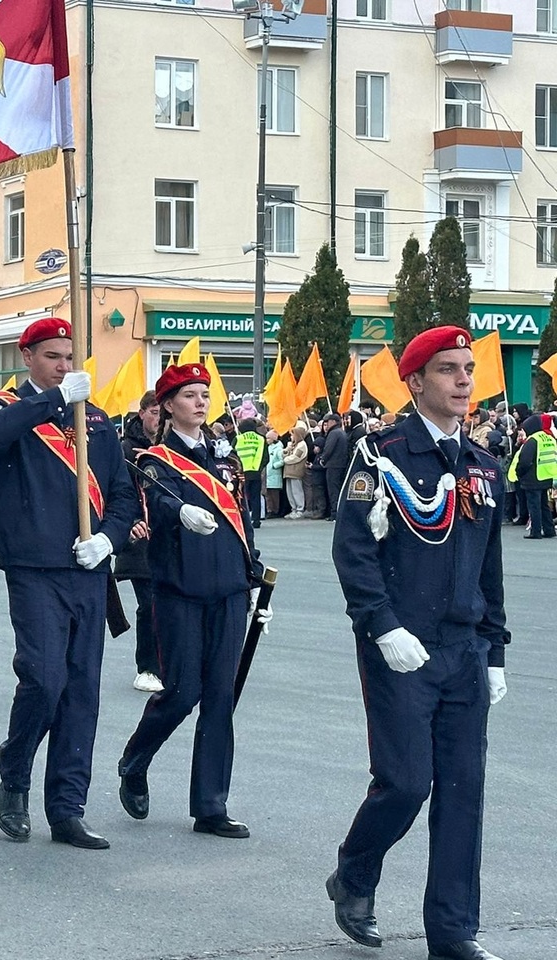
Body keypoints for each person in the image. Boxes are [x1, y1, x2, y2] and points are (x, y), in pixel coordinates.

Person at [327, 326, 509, 960]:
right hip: (403, 646)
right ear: (414, 382)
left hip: (465, 650)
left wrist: (496, 649)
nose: (465, 380)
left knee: (463, 793)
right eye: (449, 370)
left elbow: (490, 565)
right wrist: (381, 624)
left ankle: (453, 932)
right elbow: (352, 549)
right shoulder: (382, 454)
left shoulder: (484, 465)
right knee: (405, 783)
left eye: (468, 369)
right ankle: (354, 870)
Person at [0, 317, 137, 850]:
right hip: (33, 566)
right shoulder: (7, 407)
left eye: (70, 357)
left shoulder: (95, 420)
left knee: (79, 692)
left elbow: (123, 495)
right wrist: (53, 401)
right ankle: (16, 769)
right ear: (28, 358)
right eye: (53, 356)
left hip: (87, 567)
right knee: (43, 679)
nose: (64, 366)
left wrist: (108, 540)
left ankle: (67, 806)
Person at [116, 363, 268, 840]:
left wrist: (253, 572)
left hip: (228, 588)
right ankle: (135, 759)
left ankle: (210, 805)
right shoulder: (155, 459)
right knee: (182, 692)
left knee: (221, 696)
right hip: (179, 587)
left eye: (205, 394)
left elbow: (240, 516)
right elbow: (156, 502)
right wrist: (178, 509)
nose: (201, 402)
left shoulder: (225, 457)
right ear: (168, 405)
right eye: (189, 395)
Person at [116, 389, 163, 693]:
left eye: (163, 413)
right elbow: (119, 490)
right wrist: (131, 521)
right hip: (139, 540)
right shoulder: (126, 449)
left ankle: (170, 663)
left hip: (170, 536)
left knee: (171, 602)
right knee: (149, 603)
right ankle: (146, 667)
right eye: (155, 412)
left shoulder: (170, 446)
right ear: (143, 412)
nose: (160, 419)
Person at [508, 414, 555, 539]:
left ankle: (536, 531)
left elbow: (525, 461)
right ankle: (549, 529)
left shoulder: (533, 440)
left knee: (534, 506)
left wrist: (519, 473)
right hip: (546, 475)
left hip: (532, 477)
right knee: (544, 505)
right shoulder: (548, 437)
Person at [234, 418, 268, 528]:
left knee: (241, 497)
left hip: (241, 473)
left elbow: (231, 455)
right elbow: (265, 457)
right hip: (255, 472)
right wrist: (259, 468)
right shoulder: (261, 439)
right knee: (255, 497)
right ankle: (256, 520)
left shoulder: (238, 438)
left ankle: (243, 520)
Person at [319, 412, 349, 519]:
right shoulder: (341, 432)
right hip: (341, 464)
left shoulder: (334, 433)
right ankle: (338, 512)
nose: (327, 424)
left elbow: (329, 448)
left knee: (333, 490)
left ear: (333, 422)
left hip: (333, 464)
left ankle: (334, 513)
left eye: (328, 421)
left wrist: (323, 459)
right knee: (338, 488)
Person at [281, 424, 308, 519]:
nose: (291, 437)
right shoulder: (293, 445)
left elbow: (296, 457)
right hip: (288, 471)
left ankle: (300, 509)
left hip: (296, 471)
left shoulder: (302, 445)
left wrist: (285, 459)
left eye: (292, 435)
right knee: (290, 492)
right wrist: (287, 449)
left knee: (297, 491)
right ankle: (294, 509)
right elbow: (283, 453)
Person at [264, 429, 284, 518]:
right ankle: (269, 510)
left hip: (274, 474)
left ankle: (275, 510)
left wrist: (274, 466)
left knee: (274, 495)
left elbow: (282, 460)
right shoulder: (268, 448)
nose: (267, 440)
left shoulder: (278, 449)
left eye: (268, 438)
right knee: (268, 494)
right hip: (268, 474)